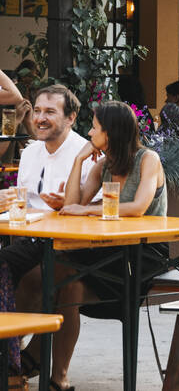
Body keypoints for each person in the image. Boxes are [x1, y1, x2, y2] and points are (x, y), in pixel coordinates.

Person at [51, 101, 168, 390]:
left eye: (95, 127)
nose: (89, 133)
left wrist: (88, 209)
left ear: (111, 132)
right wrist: (78, 162)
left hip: (143, 252)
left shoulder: (148, 159)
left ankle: (34, 361)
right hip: (109, 247)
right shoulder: (104, 165)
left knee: (64, 271)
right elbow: (71, 206)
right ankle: (58, 377)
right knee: (63, 280)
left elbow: (139, 207)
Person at [0, 85, 96, 387]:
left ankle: (20, 363)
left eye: (50, 112)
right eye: (38, 111)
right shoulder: (30, 153)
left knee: (61, 284)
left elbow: (95, 209)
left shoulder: (86, 153)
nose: (40, 118)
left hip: (71, 245)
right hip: (31, 238)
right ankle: (13, 359)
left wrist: (70, 207)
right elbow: (24, 203)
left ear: (71, 117)